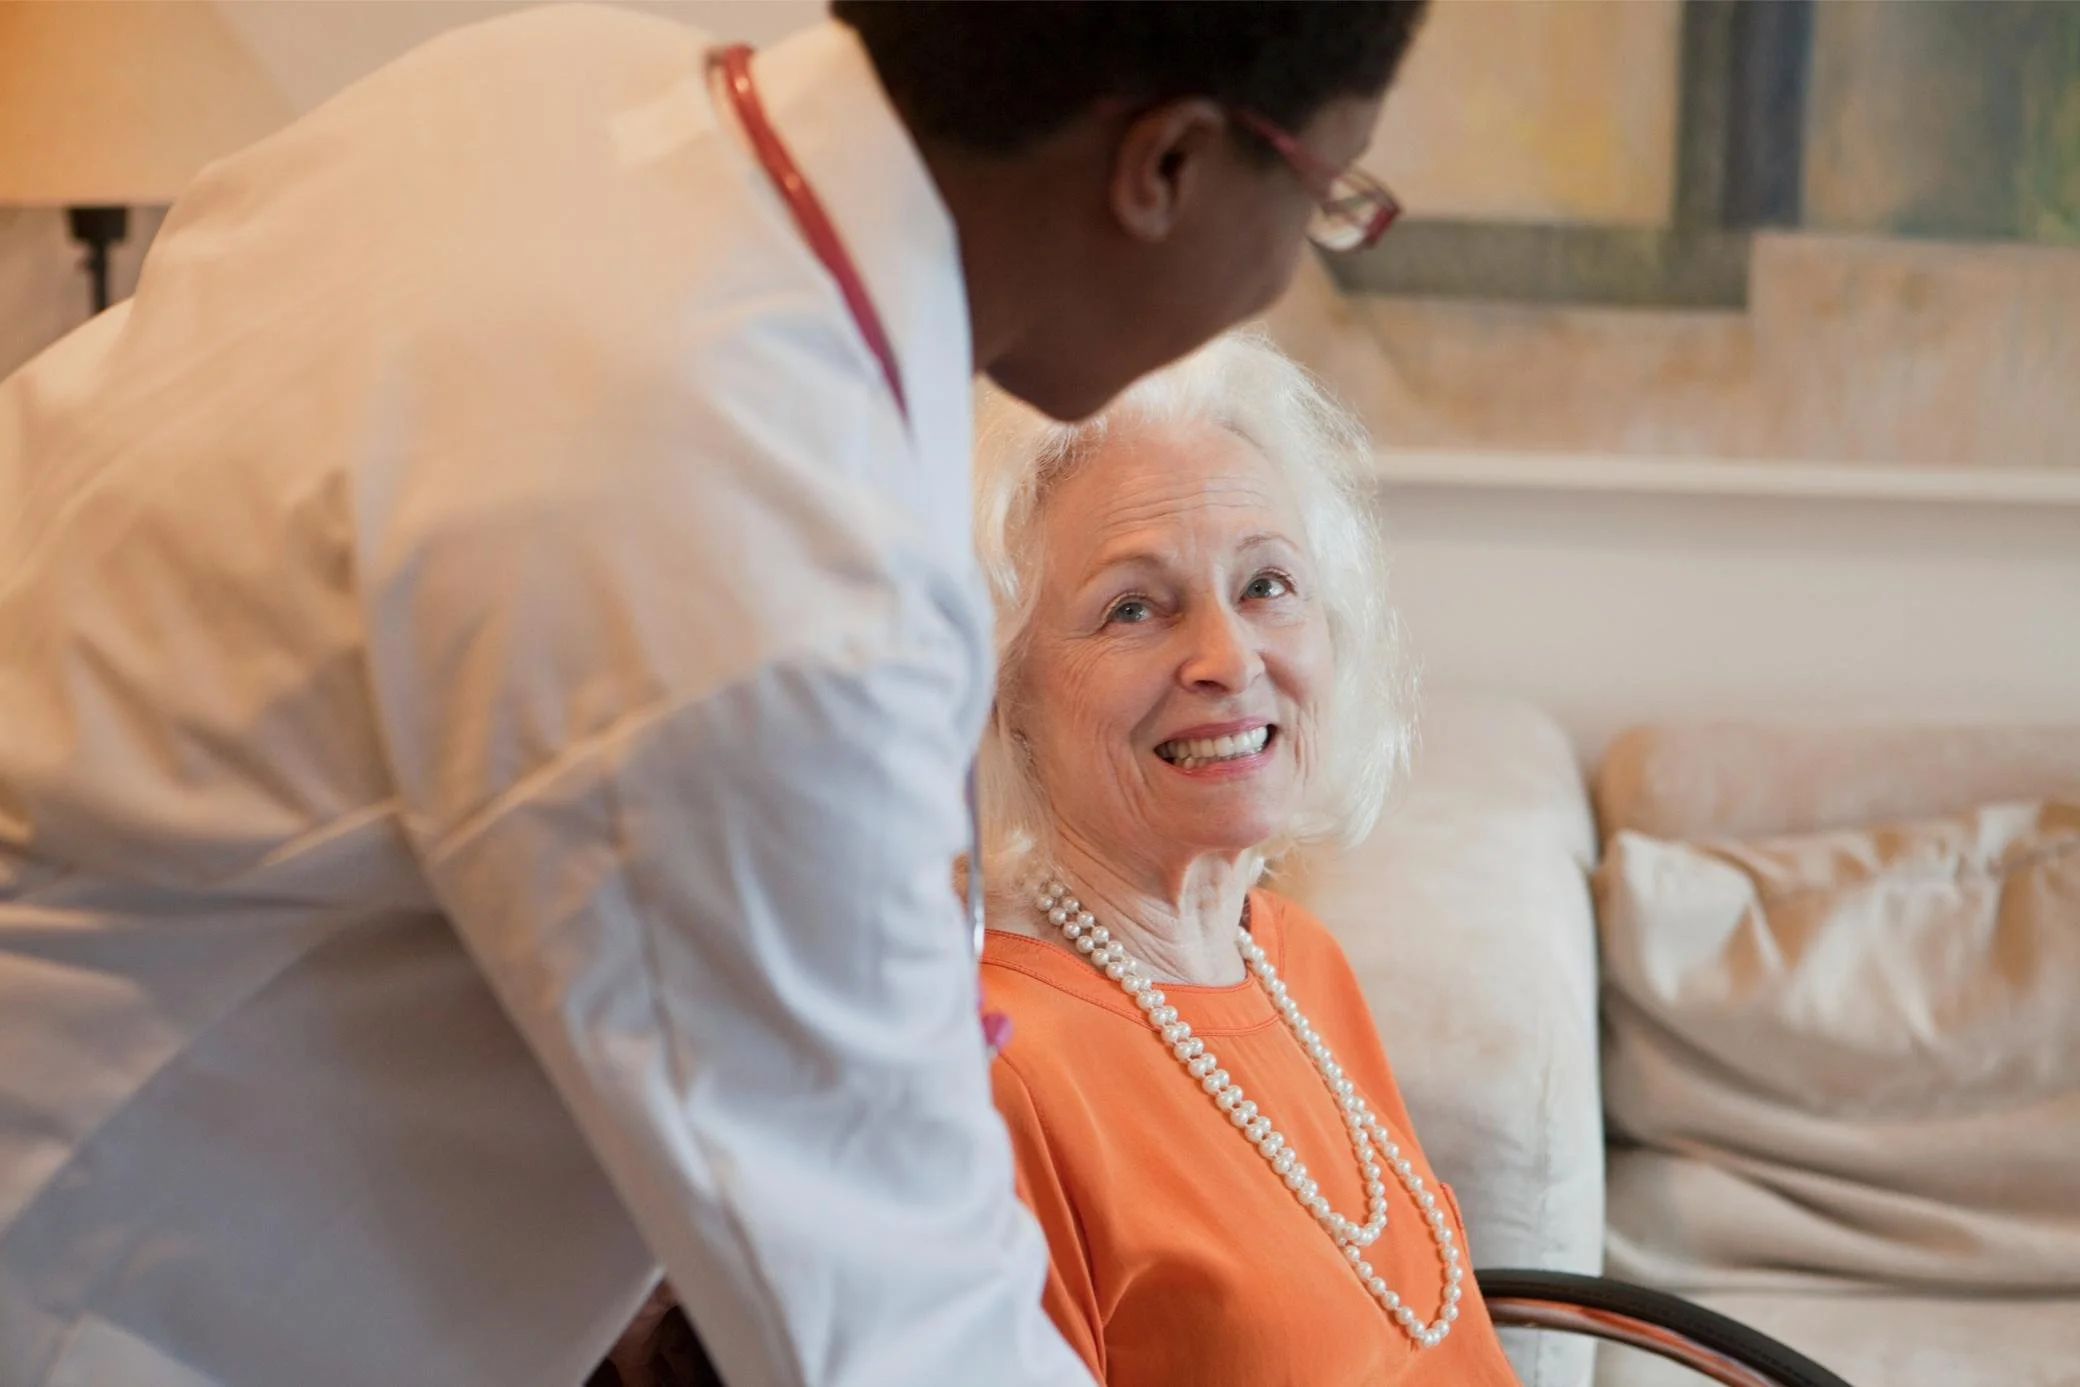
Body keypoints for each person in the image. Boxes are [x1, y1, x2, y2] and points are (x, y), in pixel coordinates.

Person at [0, 3, 1428, 1385]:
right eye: (1325, 194)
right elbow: (887, 1326)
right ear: (1165, 167)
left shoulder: (531, 83)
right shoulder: (749, 555)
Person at [970, 331, 1521, 1385]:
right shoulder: (1002, 1072)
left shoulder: (1288, 953)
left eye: (1266, 585)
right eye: (1134, 607)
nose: (1228, 658)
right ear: (1004, 690)